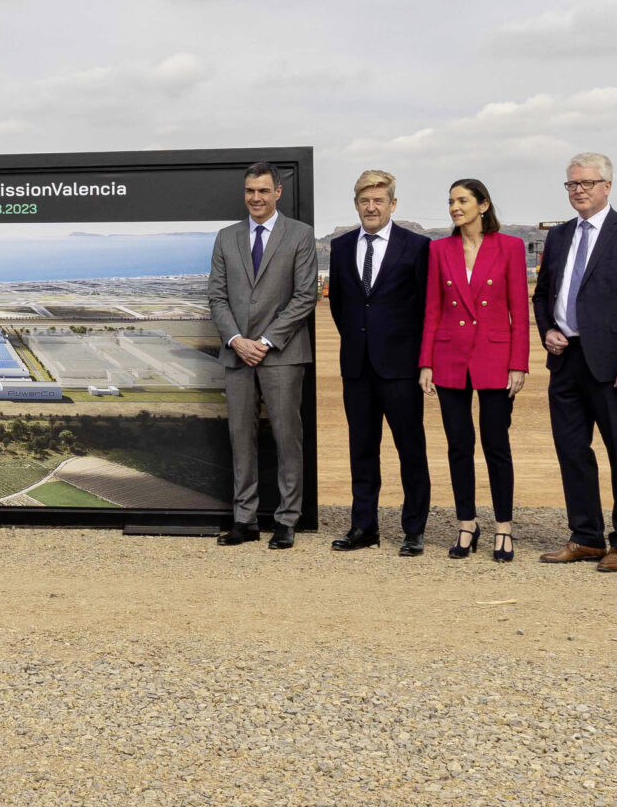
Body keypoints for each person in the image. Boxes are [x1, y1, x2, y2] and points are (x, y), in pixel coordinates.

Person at [531, 151, 617, 572]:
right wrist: (548, 329)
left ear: (607, 185)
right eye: (572, 184)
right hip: (566, 360)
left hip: (615, 367)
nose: (579, 190)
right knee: (572, 452)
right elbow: (543, 295)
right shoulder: (559, 236)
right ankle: (586, 536)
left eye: (587, 183)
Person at [418, 178, 530, 563]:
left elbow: (520, 310)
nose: (454, 207)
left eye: (462, 200)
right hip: (449, 359)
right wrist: (426, 362)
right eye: (450, 201)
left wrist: (519, 364)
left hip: (496, 359)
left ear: (483, 205)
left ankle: (503, 528)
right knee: (458, 445)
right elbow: (432, 309)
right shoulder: (439, 249)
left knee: (496, 445)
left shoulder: (511, 248)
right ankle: (467, 523)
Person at [206, 161, 317, 548]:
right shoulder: (226, 237)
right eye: (251, 191)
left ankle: (287, 520)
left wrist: (266, 341)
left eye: (264, 191)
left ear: (278, 193)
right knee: (241, 439)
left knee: (288, 438)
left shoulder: (300, 235)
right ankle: (245, 520)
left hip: (282, 355)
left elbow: (305, 297)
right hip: (237, 355)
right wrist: (237, 339)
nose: (256, 197)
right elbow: (217, 296)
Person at [327, 169, 432, 556]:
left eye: (378, 200)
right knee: (362, 450)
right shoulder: (340, 248)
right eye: (364, 201)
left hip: (400, 368)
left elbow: (425, 308)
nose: (371, 207)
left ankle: (414, 529)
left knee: (410, 449)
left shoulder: (418, 246)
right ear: (356, 205)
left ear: (393, 204)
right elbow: (340, 305)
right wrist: (359, 342)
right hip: (356, 367)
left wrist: (420, 360)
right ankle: (363, 527)